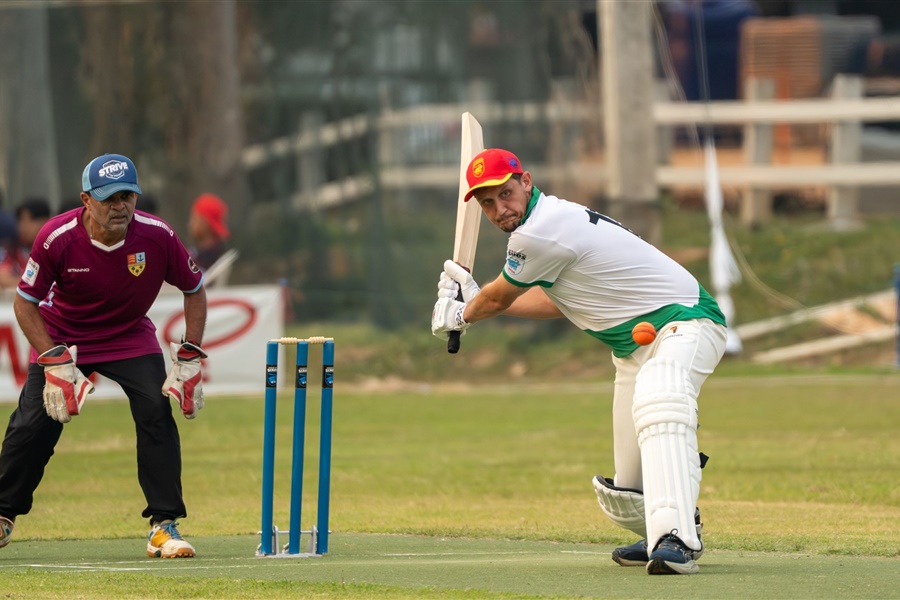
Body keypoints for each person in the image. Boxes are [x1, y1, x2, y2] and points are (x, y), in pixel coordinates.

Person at [431, 148, 727, 575]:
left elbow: (499, 296)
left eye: (506, 194)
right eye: (488, 204)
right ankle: (667, 524)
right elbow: (549, 301)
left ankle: (677, 538)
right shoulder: (545, 227)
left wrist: (461, 312)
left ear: (527, 181)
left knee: (661, 396)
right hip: (633, 347)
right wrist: (479, 300)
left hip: (686, 321)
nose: (500, 209)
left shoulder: (541, 231)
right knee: (629, 490)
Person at [0, 153, 208, 559]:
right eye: (110, 198)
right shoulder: (56, 237)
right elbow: (25, 304)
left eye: (127, 195)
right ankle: (3, 514)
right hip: (63, 335)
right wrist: (52, 357)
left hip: (128, 334)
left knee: (154, 409)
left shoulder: (157, 235)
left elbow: (194, 288)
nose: (120, 206)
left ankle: (164, 526)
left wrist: (190, 354)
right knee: (32, 425)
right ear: (86, 199)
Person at [0, 198, 51, 290]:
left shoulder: (54, 252)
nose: (24, 226)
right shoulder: (13, 251)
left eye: (30, 220)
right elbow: (2, 277)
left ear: (45, 221)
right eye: (21, 220)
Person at [187, 193, 230, 271]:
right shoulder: (218, 252)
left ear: (205, 222)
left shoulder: (207, 259)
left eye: (195, 219)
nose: (190, 224)